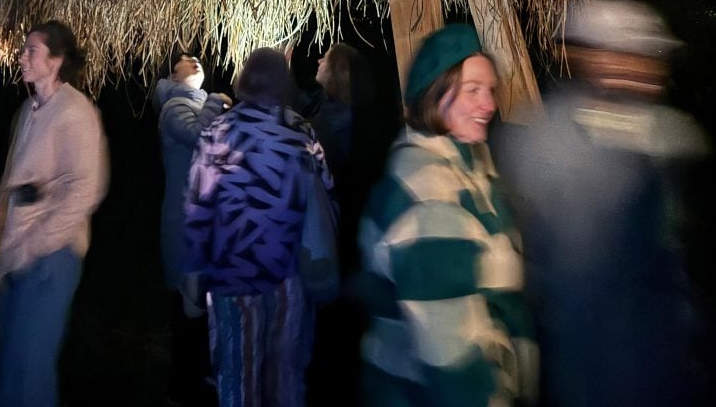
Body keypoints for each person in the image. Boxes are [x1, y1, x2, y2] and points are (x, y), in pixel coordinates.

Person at [497, 0, 705, 407]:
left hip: (655, 357)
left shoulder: (668, 138)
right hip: (585, 358)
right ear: (588, 58)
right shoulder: (543, 144)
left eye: (647, 56)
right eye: (624, 54)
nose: (641, 68)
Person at [357, 22, 537, 407]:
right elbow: (451, 356)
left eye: (490, 90)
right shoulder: (429, 193)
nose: (489, 105)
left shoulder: (472, 166)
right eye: (472, 90)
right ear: (434, 92)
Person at [183, 47, 334, 407]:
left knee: (238, 371)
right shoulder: (301, 129)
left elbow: (198, 206)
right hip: (288, 272)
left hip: (232, 273)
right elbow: (326, 196)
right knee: (286, 371)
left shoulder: (218, 130)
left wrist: (193, 271)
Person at [0, 19, 109, 407]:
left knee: (29, 370)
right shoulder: (30, 109)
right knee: (11, 366)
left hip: (51, 258)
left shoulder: (75, 110)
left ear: (56, 60)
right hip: (17, 255)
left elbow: (86, 188)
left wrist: (38, 243)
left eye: (31, 50)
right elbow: (18, 177)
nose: (22, 57)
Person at [154, 53, 230, 405]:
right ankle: (183, 386)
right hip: (184, 222)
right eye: (185, 60)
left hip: (201, 221)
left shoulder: (197, 105)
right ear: (173, 75)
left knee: (199, 307)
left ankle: (195, 378)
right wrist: (216, 102)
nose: (194, 61)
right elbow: (199, 135)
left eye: (196, 57)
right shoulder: (174, 107)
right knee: (187, 307)